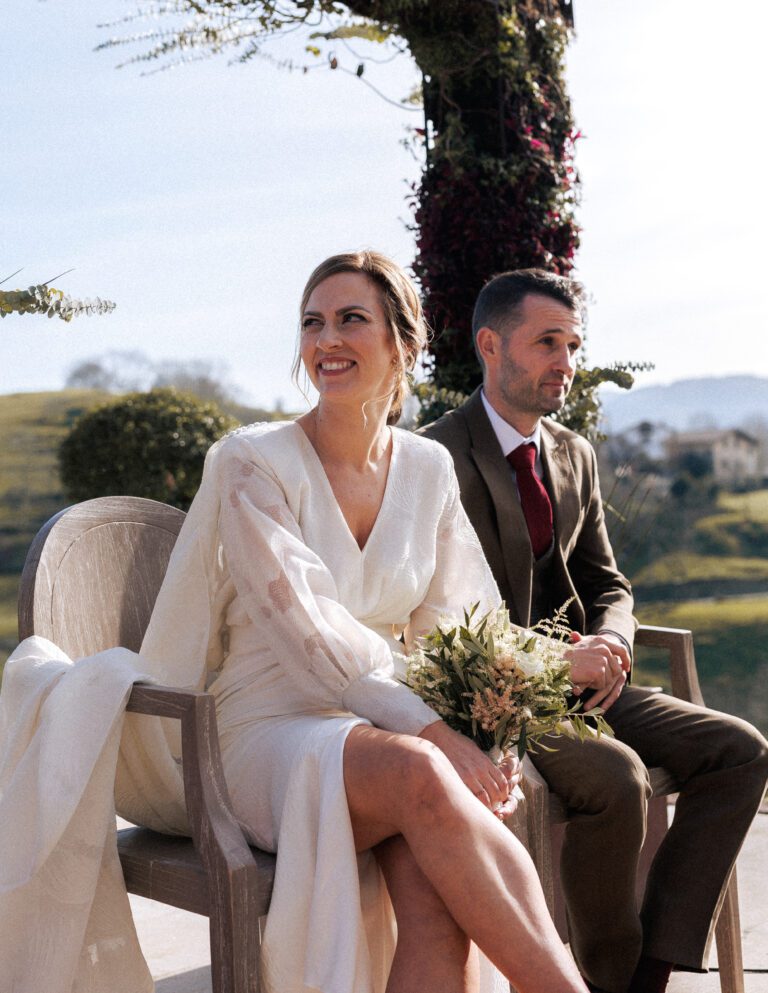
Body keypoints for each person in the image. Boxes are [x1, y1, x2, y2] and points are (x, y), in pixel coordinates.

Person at [0, 253, 588, 993]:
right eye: (313, 321)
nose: (326, 338)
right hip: (260, 734)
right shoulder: (252, 461)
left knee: (437, 907)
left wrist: (482, 731)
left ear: (404, 343)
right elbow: (310, 639)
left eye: (351, 319)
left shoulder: (429, 468)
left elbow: (462, 626)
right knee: (423, 772)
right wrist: (436, 735)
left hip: (385, 734)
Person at [421, 268, 768, 993]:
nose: (567, 362)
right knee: (619, 777)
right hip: (496, 690)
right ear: (491, 345)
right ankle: (599, 977)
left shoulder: (573, 452)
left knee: (739, 750)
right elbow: (444, 613)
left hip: (593, 681)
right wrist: (559, 657)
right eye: (548, 342)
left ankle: (649, 968)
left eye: (573, 344)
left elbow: (608, 581)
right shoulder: (435, 458)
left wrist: (612, 639)